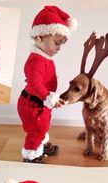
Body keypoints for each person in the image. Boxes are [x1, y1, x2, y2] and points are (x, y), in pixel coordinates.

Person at [18, 6, 78, 163]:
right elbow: (34, 84)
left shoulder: (44, 57)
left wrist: (52, 98)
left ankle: (41, 145)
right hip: (32, 105)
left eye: (61, 45)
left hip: (40, 103)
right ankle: (31, 155)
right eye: (57, 43)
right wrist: (48, 97)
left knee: (43, 126)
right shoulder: (38, 61)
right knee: (36, 130)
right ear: (39, 36)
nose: (59, 49)